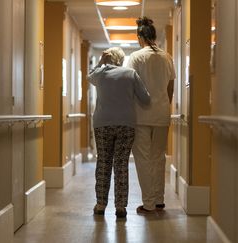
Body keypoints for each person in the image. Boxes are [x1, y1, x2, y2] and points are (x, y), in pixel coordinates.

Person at [87, 47, 151, 218]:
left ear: (108, 59)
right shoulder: (130, 74)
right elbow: (145, 99)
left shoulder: (100, 73)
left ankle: (100, 204)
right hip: (125, 124)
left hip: (102, 124)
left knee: (103, 163)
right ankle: (121, 207)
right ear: (121, 60)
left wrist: (100, 62)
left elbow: (89, 76)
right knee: (121, 165)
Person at [127, 16, 176, 214]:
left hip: (141, 115)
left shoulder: (136, 57)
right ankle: (159, 200)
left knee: (143, 158)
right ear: (154, 36)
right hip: (162, 114)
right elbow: (170, 87)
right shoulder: (167, 57)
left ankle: (148, 203)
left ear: (140, 37)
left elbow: (130, 85)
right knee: (159, 157)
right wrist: (165, 105)